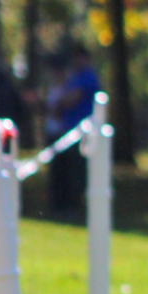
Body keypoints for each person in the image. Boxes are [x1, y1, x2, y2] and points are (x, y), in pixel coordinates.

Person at [49, 43, 100, 214]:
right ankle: (65, 205)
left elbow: (70, 100)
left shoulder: (87, 77)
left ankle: (76, 206)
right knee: (67, 172)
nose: (76, 61)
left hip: (84, 133)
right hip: (68, 132)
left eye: (79, 57)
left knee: (78, 172)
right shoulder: (74, 78)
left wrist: (61, 102)